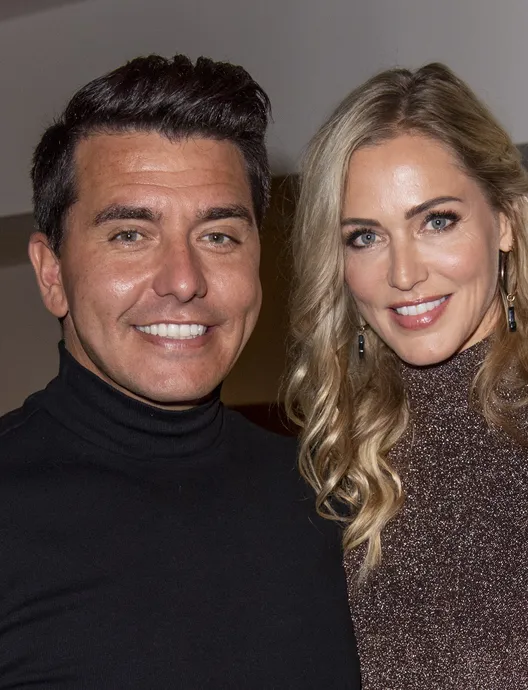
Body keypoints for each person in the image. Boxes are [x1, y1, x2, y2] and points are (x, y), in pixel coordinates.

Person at [0, 55, 360, 688]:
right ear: (51, 273)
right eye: (130, 235)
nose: (185, 281)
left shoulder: (335, 498)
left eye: (218, 236)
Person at [286, 62, 528, 689]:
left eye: (436, 221)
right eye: (365, 237)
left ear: (505, 220)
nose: (404, 274)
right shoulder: (334, 465)